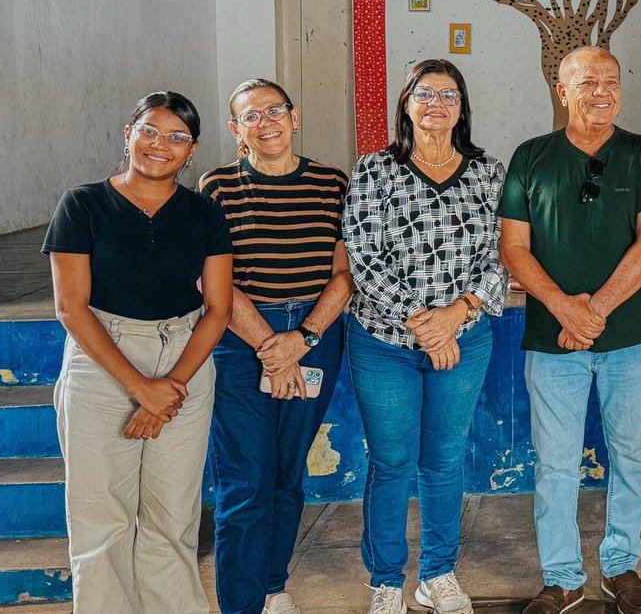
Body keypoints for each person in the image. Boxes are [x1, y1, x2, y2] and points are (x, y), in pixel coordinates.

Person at [44, 91, 232, 613]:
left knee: (173, 519)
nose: (160, 144)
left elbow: (217, 309)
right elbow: (71, 307)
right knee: (101, 518)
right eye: (149, 130)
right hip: (103, 358)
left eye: (177, 137)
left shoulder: (204, 213)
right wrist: (141, 390)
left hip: (185, 362)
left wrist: (169, 388)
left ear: (191, 151)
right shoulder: (81, 205)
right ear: (128, 133)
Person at [500, 47, 641, 614]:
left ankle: (621, 566)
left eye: (612, 80)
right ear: (561, 88)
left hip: (626, 340)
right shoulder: (531, 156)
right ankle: (563, 575)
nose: (602, 90)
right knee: (555, 462)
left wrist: (592, 310)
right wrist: (565, 312)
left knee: (631, 457)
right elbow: (513, 250)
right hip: (553, 343)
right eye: (588, 80)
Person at [343, 60, 509, 614]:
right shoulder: (373, 171)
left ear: (462, 107)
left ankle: (437, 573)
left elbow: (500, 259)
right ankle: (387, 580)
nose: (437, 102)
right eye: (425, 93)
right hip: (384, 342)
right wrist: (427, 324)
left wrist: (455, 316)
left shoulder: (489, 172)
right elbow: (363, 258)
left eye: (449, 94)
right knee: (390, 461)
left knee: (443, 458)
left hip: (465, 337)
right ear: (406, 103)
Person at [200, 79, 354, 614]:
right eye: (251, 116)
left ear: (295, 117)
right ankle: (240, 604)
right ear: (235, 129)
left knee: (288, 474)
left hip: (315, 334)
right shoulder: (217, 186)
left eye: (275, 111)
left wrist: (303, 338)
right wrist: (272, 345)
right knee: (245, 479)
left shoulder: (333, 182)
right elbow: (214, 280)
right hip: (242, 337)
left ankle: (272, 587)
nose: (265, 123)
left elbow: (343, 274)